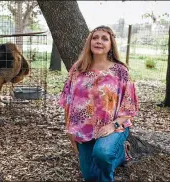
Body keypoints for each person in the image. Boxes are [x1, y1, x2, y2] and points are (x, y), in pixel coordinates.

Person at [59, 25, 139, 182]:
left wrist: (112, 126)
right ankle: (117, 156)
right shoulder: (78, 69)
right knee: (90, 176)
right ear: (89, 42)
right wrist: (69, 129)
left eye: (104, 38)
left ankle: (118, 154)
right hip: (83, 130)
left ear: (111, 45)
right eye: (95, 38)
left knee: (102, 154)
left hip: (113, 127)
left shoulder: (120, 71)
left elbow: (130, 106)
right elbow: (68, 100)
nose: (99, 41)